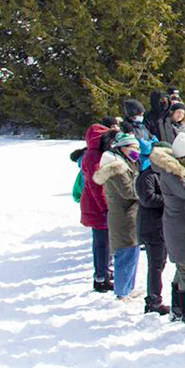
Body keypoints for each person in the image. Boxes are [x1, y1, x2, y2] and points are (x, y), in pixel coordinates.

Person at [153, 133, 185, 323]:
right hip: (179, 228)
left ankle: (177, 307)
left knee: (183, 267)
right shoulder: (173, 174)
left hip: (179, 225)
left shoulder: (172, 172)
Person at [95, 132, 142, 301]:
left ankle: (129, 288)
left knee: (133, 252)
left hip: (131, 215)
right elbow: (128, 191)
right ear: (122, 148)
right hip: (123, 216)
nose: (135, 151)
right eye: (132, 148)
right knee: (126, 254)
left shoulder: (127, 163)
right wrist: (146, 191)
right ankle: (122, 292)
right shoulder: (116, 168)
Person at [136, 140, 171, 316]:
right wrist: (169, 198)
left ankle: (154, 298)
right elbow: (147, 199)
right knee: (155, 265)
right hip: (151, 227)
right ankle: (153, 301)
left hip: (160, 226)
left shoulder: (161, 174)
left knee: (160, 263)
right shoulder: (147, 176)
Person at [81, 123, 114, 293]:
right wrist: (105, 207)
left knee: (101, 241)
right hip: (96, 205)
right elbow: (97, 184)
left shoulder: (95, 154)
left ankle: (103, 274)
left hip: (94, 204)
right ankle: (101, 277)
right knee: (102, 243)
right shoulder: (94, 156)